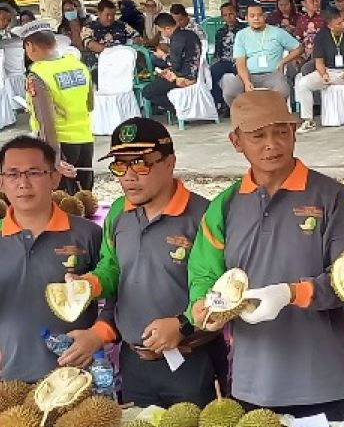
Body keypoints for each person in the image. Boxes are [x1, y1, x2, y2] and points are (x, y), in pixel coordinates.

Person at [187, 91, 344, 419]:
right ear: (236, 141)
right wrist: (201, 306)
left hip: (327, 381)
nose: (272, 144)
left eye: (281, 132)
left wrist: (291, 293)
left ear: (294, 133)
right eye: (258, 136)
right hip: (254, 384)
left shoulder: (332, 197)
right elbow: (204, 273)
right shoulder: (224, 206)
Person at [59, 119, 223, 407]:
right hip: (134, 362)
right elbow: (112, 269)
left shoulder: (204, 217)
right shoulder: (118, 213)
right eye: (120, 166)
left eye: (140, 165)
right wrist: (89, 284)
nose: (128, 177)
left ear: (169, 162)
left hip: (193, 361)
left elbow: (219, 292)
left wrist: (183, 325)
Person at [0, 135, 102, 383]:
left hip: (76, 379)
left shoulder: (88, 234)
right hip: (9, 380)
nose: (23, 183)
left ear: (54, 177)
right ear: (1, 182)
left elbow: (120, 295)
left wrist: (98, 334)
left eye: (34, 172)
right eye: (12, 174)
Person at [20, 26, 94, 192]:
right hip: (85, 139)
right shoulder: (78, 65)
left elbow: (46, 120)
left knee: (62, 204)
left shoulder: (38, 74)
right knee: (85, 198)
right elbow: (90, 104)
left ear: (30, 46)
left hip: (59, 145)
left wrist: (54, 157)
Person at [294, 7, 344, 134]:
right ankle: (308, 120)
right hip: (330, 71)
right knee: (303, 83)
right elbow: (319, 60)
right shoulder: (321, 36)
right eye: (339, 23)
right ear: (330, 26)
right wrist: (323, 74)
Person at [222, 4, 302, 108]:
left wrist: (283, 61)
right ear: (246, 18)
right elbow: (240, 62)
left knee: (282, 90)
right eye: (252, 16)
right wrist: (246, 81)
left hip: (272, 74)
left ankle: (271, 117)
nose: (256, 18)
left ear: (264, 17)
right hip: (249, 74)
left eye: (259, 15)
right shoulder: (241, 35)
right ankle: (245, 116)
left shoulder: (277, 32)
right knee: (229, 92)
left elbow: (299, 48)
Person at [141, 13, 203, 114]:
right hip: (194, 70)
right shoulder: (189, 34)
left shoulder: (177, 39)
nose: (161, 34)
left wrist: (163, 56)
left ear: (168, 28)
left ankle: (178, 109)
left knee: (147, 92)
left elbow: (175, 65)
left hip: (184, 76)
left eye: (161, 31)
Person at [80, 0, 142, 71]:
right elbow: (91, 45)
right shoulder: (88, 28)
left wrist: (132, 44)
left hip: (123, 64)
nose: (110, 18)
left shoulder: (122, 25)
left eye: (113, 15)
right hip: (99, 66)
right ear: (99, 13)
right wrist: (114, 52)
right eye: (107, 15)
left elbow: (137, 37)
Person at [211, 2, 246, 112]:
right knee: (209, 75)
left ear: (236, 14)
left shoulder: (244, 30)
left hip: (240, 60)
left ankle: (242, 103)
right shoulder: (220, 32)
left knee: (242, 77)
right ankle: (221, 101)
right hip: (225, 61)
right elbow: (217, 52)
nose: (228, 17)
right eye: (225, 15)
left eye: (231, 14)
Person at [294, 0, 325, 71]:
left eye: (317, 0)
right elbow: (298, 39)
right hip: (305, 53)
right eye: (312, 1)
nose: (316, 3)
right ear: (303, 3)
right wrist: (296, 56)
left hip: (321, 55)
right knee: (291, 66)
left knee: (306, 69)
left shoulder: (325, 18)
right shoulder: (301, 20)